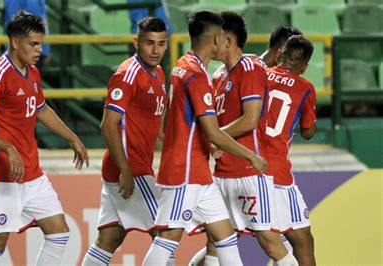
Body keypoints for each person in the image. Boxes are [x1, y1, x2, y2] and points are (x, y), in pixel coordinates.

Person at [142, 11, 267, 266]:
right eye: (222, 36)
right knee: (167, 238)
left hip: (198, 173)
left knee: (226, 237)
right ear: (216, 38)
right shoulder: (198, 77)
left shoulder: (182, 66)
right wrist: (250, 156)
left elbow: (174, 122)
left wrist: (200, 145)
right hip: (185, 173)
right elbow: (212, 131)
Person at [0, 11, 89, 265]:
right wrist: (8, 148)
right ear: (14, 42)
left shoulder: (32, 72)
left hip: (31, 172)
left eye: (42, 44)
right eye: (34, 44)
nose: (40, 50)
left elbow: (41, 108)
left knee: (59, 233)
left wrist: (72, 137)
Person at [191, 12, 298, 265]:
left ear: (227, 40)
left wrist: (214, 137)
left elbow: (250, 119)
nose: (211, 44)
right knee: (216, 240)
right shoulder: (219, 76)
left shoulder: (250, 68)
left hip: (248, 173)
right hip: (222, 173)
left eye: (215, 38)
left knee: (269, 242)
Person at [82, 16, 171, 266]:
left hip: (132, 166)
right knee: (165, 236)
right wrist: (126, 169)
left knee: (110, 238)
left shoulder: (160, 74)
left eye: (161, 44)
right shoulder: (127, 75)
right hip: (130, 167)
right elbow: (108, 124)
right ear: (136, 42)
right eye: (149, 43)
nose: (155, 50)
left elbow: (157, 124)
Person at [260, 35, 317, 266]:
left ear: (280, 54)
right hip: (277, 172)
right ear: (304, 66)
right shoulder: (305, 88)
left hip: (242, 166)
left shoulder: (259, 74)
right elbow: (308, 132)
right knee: (302, 240)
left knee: (222, 236)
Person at [4, 0, 50, 72]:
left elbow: (44, 22)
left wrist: (46, 50)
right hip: (21, 50)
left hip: (37, 49)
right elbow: (14, 24)